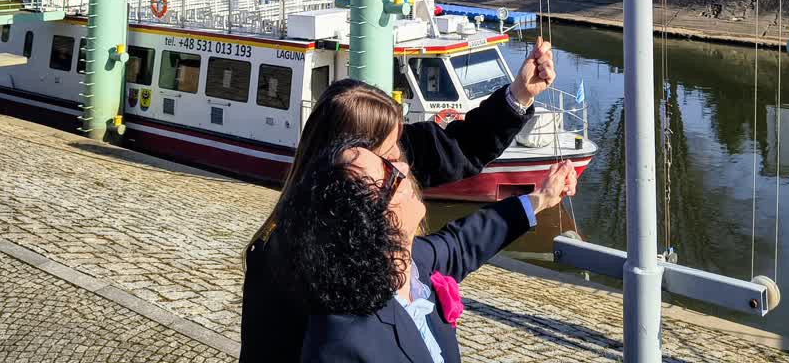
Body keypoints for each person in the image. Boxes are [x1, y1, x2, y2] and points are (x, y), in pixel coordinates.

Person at [238, 39, 557, 362]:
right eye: (392, 156)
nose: (406, 165)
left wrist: (519, 96)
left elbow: (458, 148)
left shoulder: (403, 233)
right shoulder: (279, 261)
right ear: (348, 168)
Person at [282, 141, 578, 363]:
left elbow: (464, 241)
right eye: (389, 173)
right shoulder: (341, 345)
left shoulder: (412, 263)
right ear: (370, 220)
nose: (405, 167)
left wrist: (541, 198)